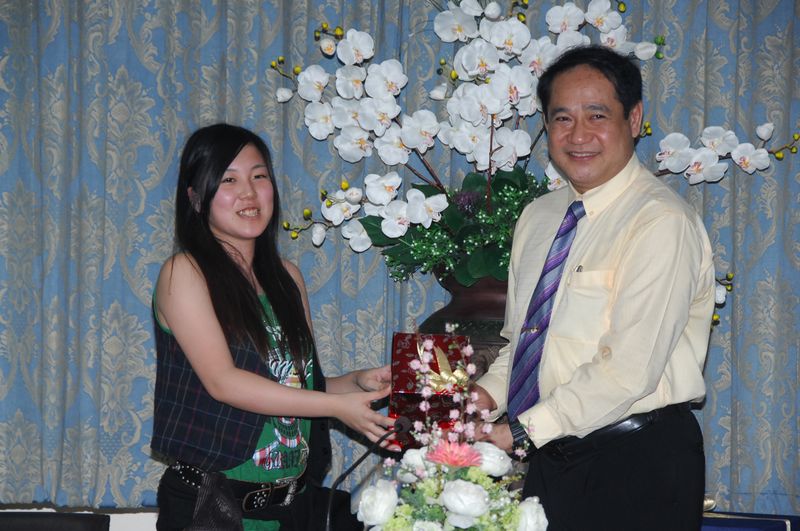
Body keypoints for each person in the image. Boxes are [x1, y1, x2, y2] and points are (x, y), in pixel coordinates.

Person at [473, 45, 715, 530]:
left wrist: (517, 432)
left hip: (637, 460)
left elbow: (629, 370)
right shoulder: (539, 216)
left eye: (596, 115)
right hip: (553, 452)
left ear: (634, 118)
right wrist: (481, 398)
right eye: (562, 118)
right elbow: (525, 344)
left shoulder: (660, 221)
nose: (578, 135)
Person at [151, 123, 397, 530]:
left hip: (291, 506)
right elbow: (224, 382)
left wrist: (353, 383)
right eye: (228, 180)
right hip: (213, 507)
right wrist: (337, 407)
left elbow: (294, 385)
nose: (248, 193)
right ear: (195, 197)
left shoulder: (287, 278)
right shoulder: (184, 273)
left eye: (259, 176)